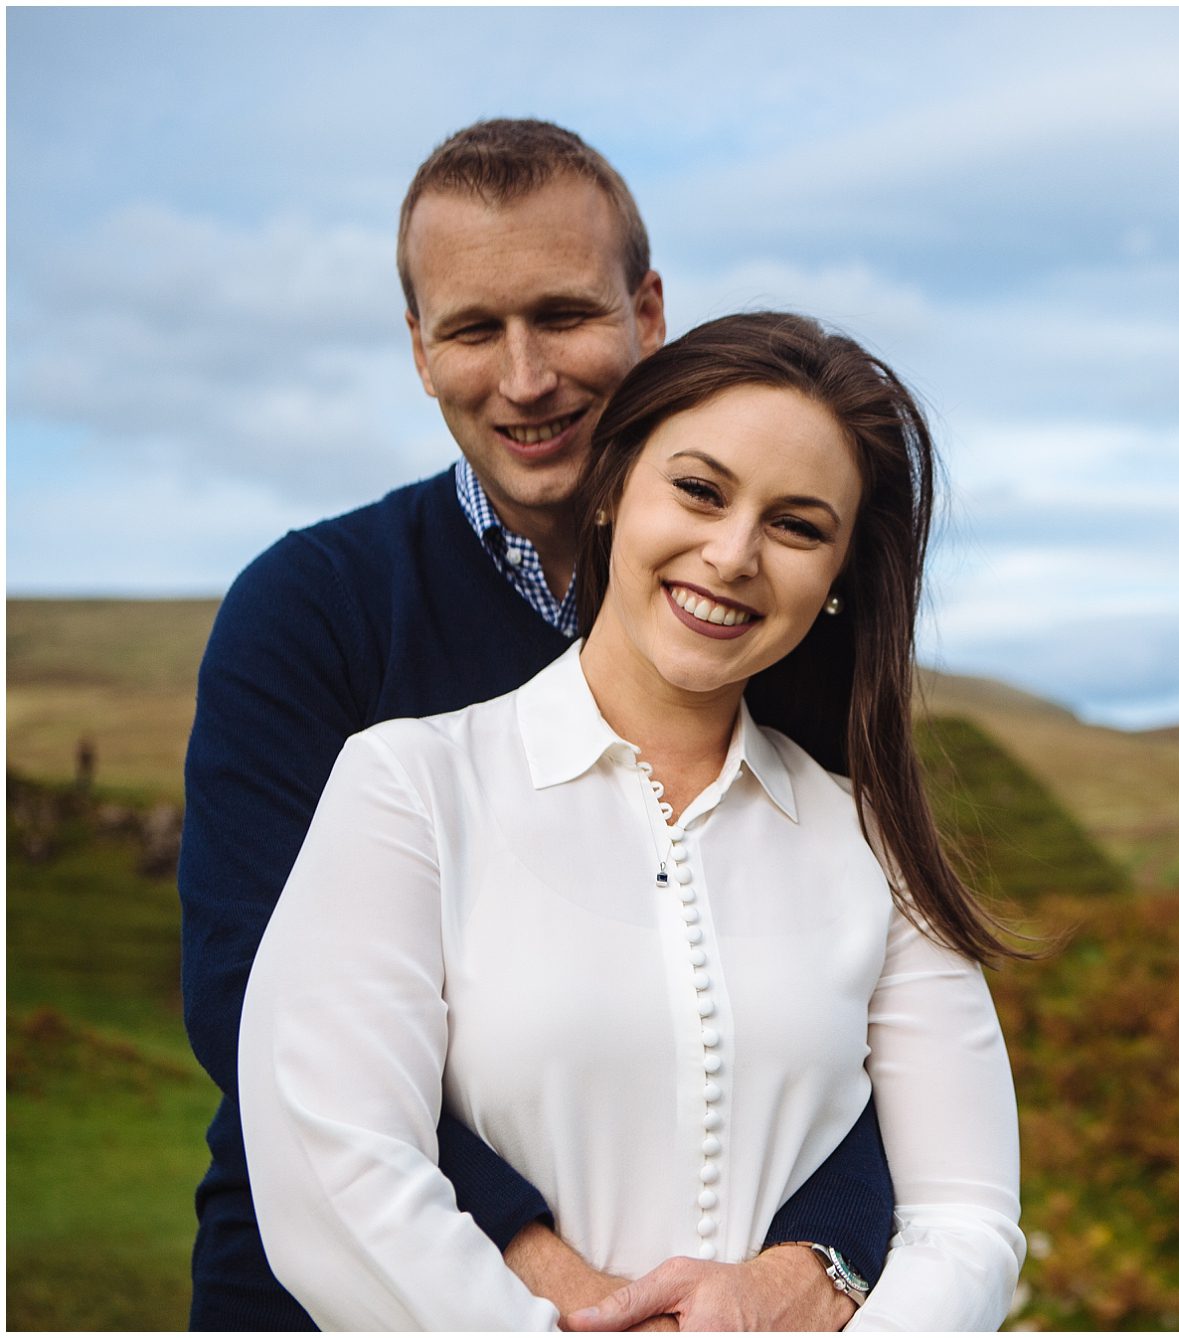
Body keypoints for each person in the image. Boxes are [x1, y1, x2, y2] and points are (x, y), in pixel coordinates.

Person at [180, 120, 895, 1331]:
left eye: (562, 315)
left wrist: (809, 1265)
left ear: (647, 311)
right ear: (417, 348)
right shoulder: (310, 613)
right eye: (471, 329)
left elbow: (866, 1017)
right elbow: (255, 1002)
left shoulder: (777, 631)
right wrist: (545, 1275)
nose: (523, 378)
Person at [237, 312, 1027, 1330]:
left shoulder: (873, 846)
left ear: (837, 581)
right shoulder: (410, 787)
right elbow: (332, 1171)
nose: (734, 553)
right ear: (612, 489)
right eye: (699, 491)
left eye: (797, 526)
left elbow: (965, 1220)